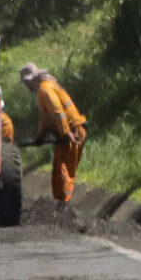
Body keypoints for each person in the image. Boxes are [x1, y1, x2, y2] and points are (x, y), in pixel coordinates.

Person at [19, 63, 88, 203]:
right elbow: (45, 118)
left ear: (30, 80)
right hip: (70, 132)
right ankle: (62, 204)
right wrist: (40, 137)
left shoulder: (45, 90)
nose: (26, 87)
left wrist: (66, 132)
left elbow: (58, 112)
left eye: (26, 83)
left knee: (63, 172)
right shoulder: (48, 87)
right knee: (59, 171)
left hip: (72, 132)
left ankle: (64, 207)